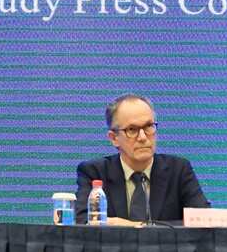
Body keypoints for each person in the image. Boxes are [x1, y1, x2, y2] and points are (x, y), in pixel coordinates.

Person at [75, 93, 210, 225]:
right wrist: (129, 226)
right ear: (114, 138)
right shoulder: (95, 172)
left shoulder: (178, 170)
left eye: (148, 126)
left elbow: (204, 221)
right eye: (132, 129)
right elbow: (81, 222)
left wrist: (133, 226)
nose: (143, 137)